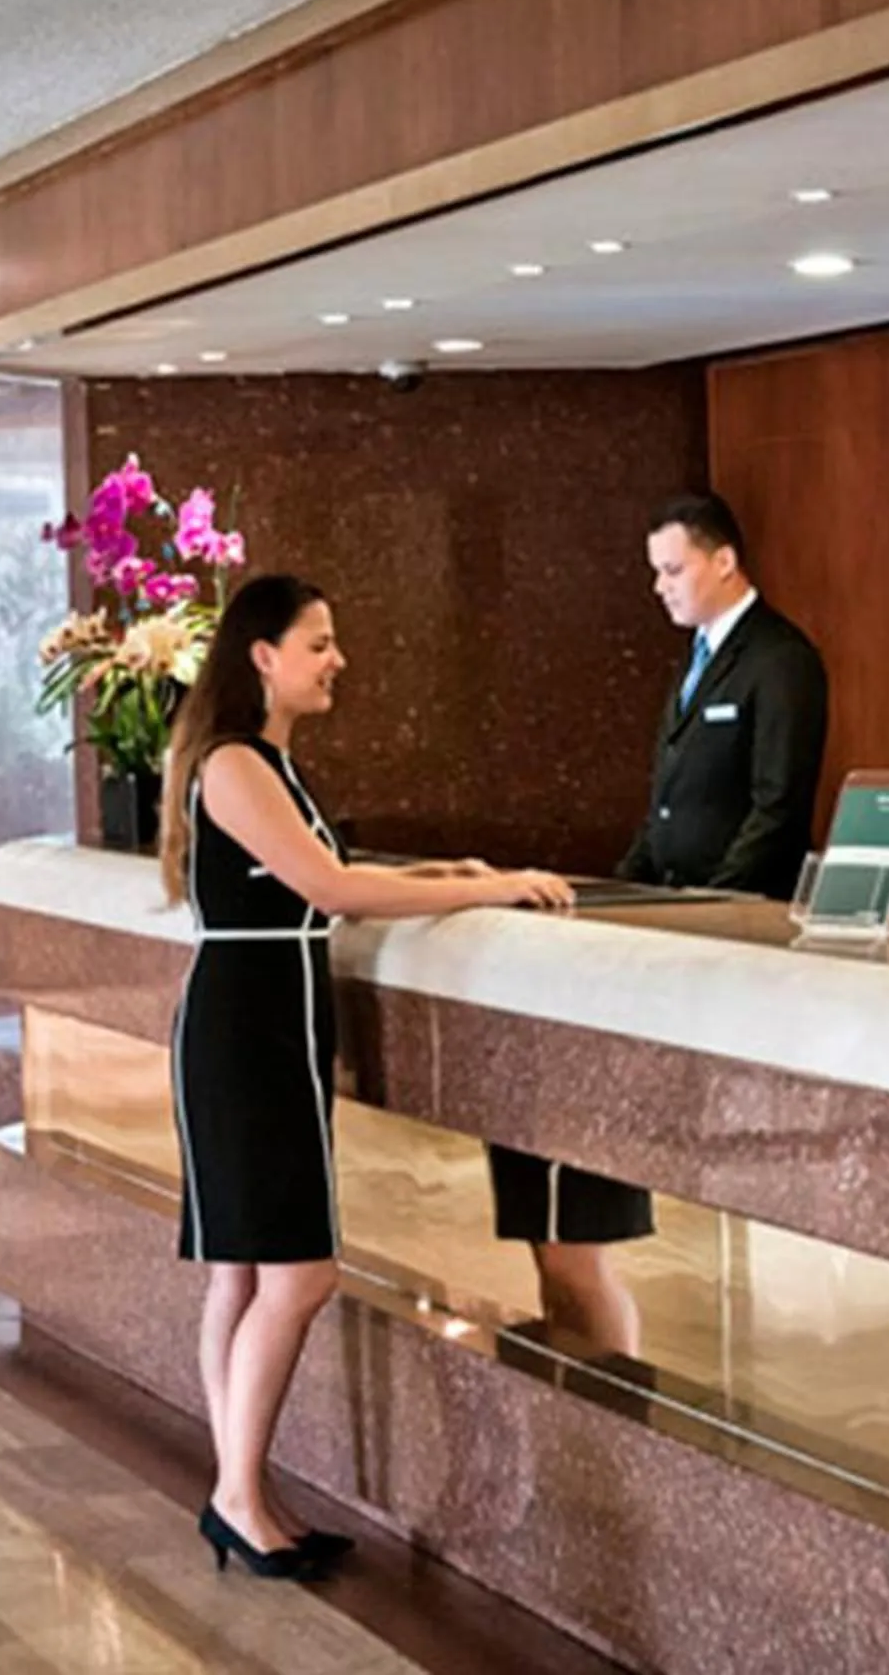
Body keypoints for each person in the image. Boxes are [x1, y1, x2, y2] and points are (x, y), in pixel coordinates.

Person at [163, 572, 573, 1579]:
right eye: (319, 643)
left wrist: (458, 877)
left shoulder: (268, 764)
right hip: (245, 1027)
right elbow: (330, 886)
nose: (337, 659)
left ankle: (241, 1488)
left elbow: (329, 874)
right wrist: (499, 882)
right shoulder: (233, 765)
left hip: (268, 1017)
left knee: (246, 1270)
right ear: (261, 656)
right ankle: (236, 1494)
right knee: (297, 1271)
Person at [489, 492, 830, 1356]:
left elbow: (776, 810)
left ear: (724, 560)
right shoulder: (696, 662)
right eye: (655, 572)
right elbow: (668, 809)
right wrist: (616, 893)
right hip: (666, 918)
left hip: (727, 929)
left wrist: (705, 911)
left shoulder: (779, 660)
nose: (661, 588)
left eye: (673, 570)